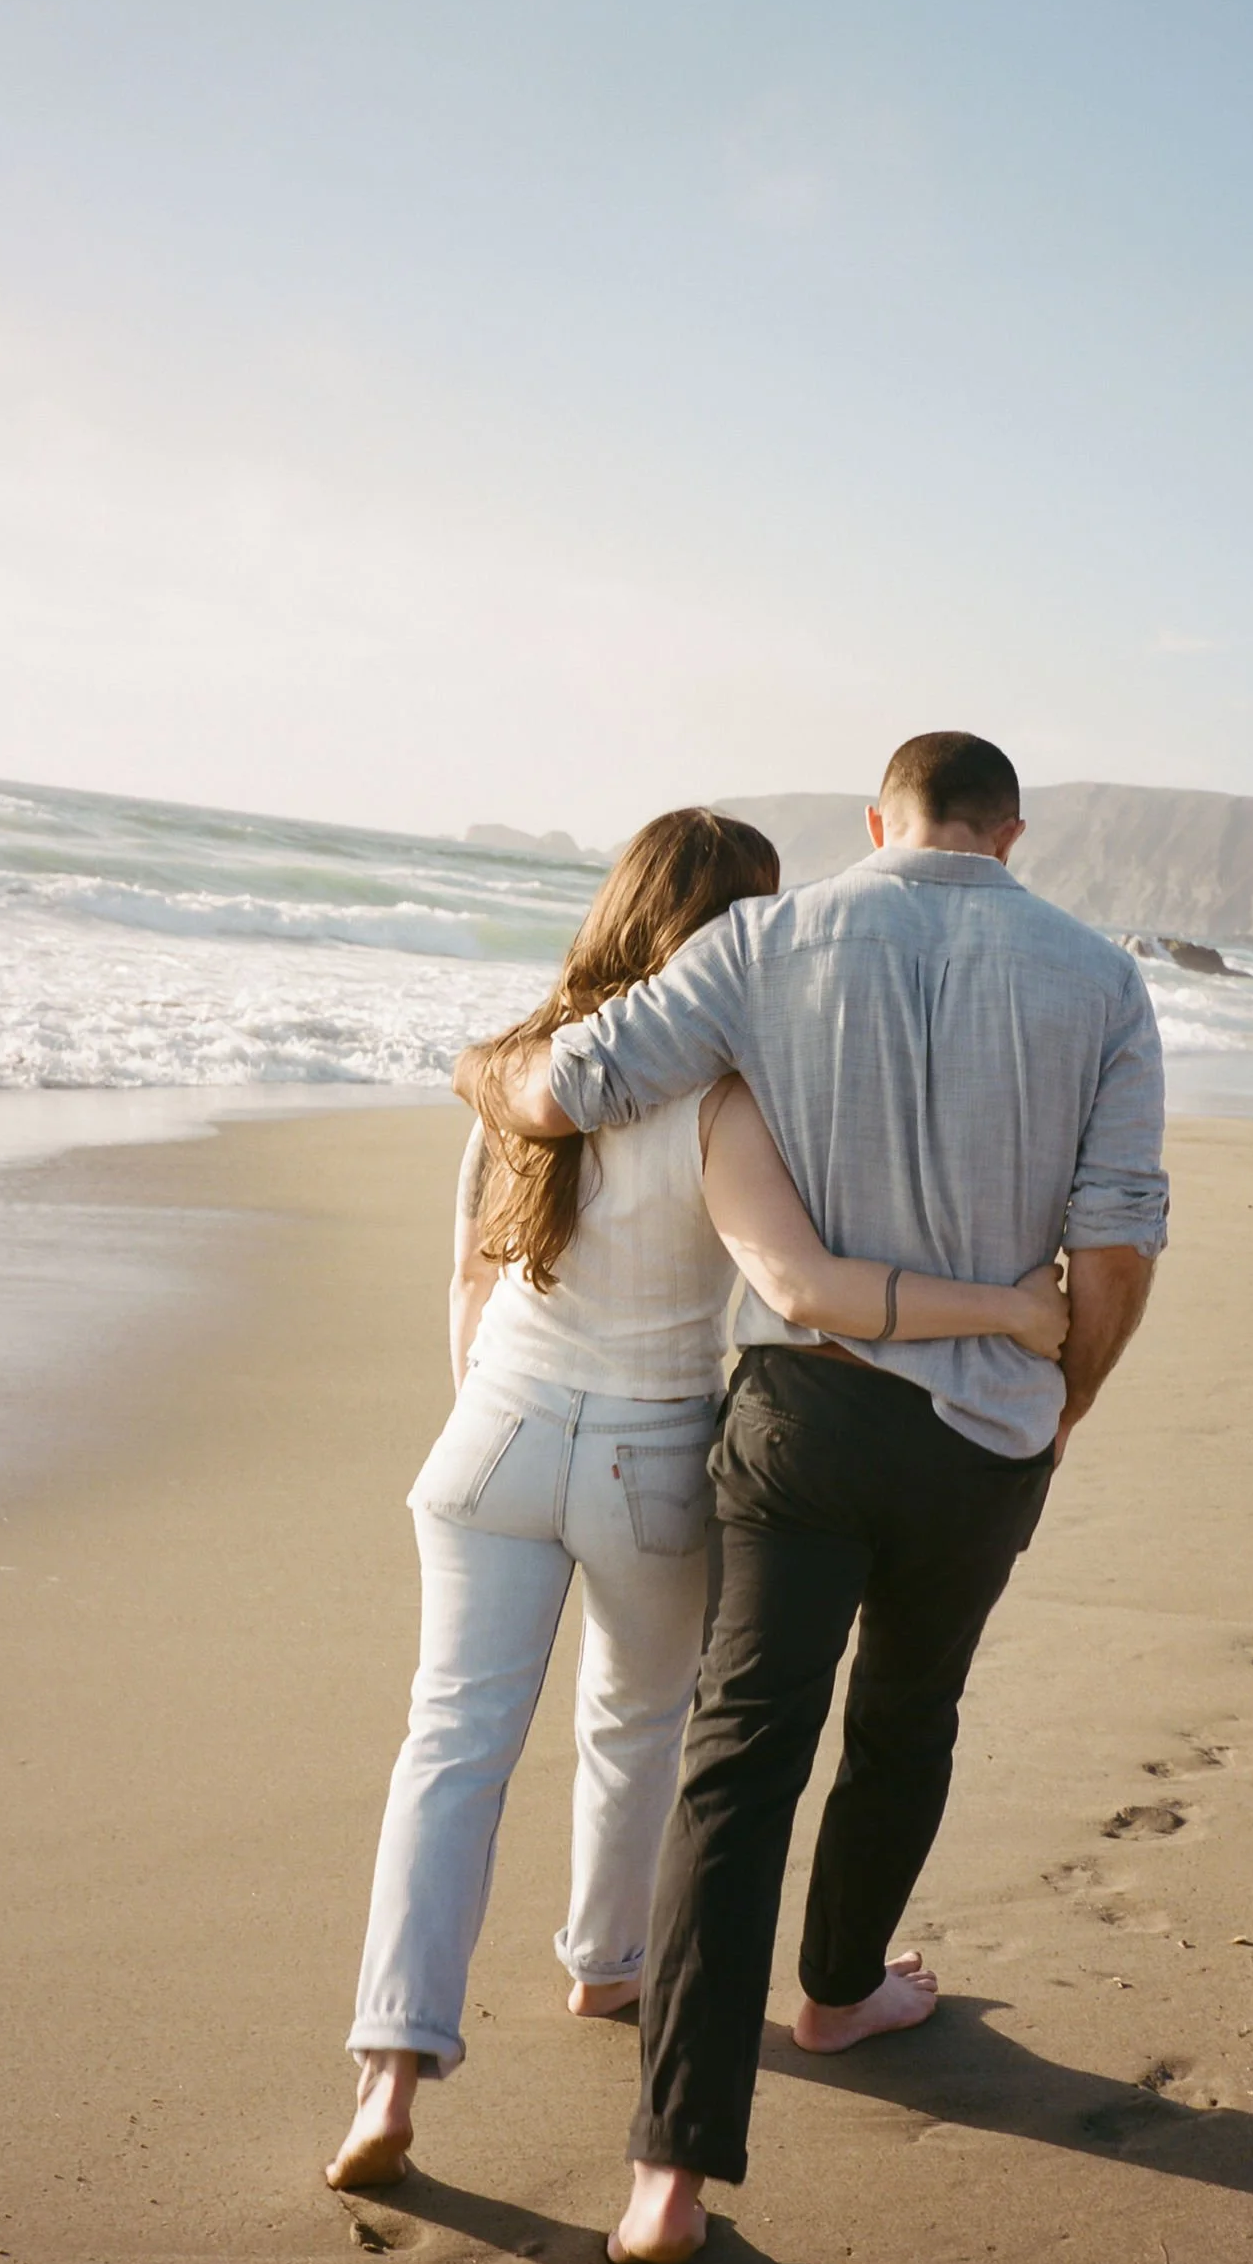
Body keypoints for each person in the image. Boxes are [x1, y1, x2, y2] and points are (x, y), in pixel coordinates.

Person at [466, 734, 1168, 2264]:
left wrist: (476, 1068)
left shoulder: (763, 940)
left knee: (738, 1759)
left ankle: (667, 2176)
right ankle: (842, 1992)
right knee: (909, 1718)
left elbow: (572, 1085)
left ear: (877, 821)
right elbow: (1116, 1244)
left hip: (801, 1417)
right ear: (1011, 835)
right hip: (986, 1431)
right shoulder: (1104, 980)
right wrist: (1062, 1408)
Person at [327, 805, 1070, 2193]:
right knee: (635, 1730)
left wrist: (492, 1416)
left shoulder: (526, 1072)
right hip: (651, 1458)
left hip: (490, 1434)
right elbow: (804, 1289)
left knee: (449, 1747)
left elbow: (470, 1284)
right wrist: (1014, 1311)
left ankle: (389, 2075)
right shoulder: (724, 1099)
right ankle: (606, 1963)